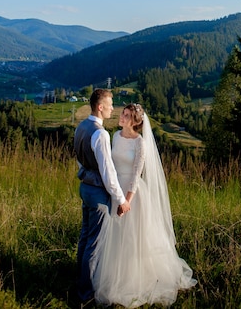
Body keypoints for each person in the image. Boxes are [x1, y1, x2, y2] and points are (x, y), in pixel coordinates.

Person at [90, 103, 197, 307]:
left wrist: (127, 201)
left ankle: (136, 278)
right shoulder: (115, 137)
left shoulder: (140, 143)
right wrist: (115, 195)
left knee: (133, 238)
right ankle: (115, 276)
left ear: (135, 122)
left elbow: (136, 174)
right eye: (123, 113)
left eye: (127, 115)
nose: (122, 116)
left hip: (133, 195)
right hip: (115, 192)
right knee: (116, 236)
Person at [74, 88, 131, 307]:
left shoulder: (82, 126)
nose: (113, 108)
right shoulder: (101, 134)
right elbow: (108, 173)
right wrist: (122, 199)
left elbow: (80, 159)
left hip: (85, 187)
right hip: (98, 193)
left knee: (85, 238)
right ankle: (86, 295)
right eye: (110, 104)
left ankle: (80, 282)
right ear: (100, 107)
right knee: (94, 246)